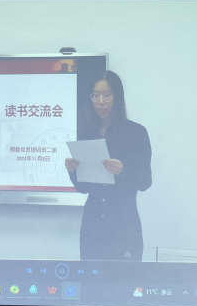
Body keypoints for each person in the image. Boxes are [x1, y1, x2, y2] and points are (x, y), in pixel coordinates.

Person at [65, 71, 152, 261]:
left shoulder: (136, 132)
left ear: (117, 97)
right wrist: (73, 171)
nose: (101, 101)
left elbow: (145, 181)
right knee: (90, 278)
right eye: (95, 95)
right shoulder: (87, 132)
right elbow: (84, 188)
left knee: (125, 278)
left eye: (107, 95)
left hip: (124, 226)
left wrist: (122, 171)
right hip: (93, 227)